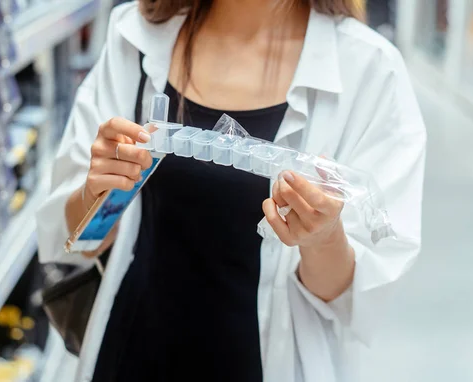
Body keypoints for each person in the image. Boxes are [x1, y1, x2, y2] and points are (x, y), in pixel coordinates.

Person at [36, 0, 426, 381]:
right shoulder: (135, 36)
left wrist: (323, 239)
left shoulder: (371, 69)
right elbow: (79, 241)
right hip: (133, 350)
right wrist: (98, 190)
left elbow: (352, 298)